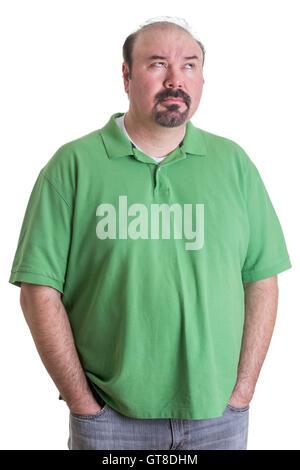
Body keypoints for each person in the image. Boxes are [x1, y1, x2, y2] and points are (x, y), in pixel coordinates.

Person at [9, 17, 291, 450]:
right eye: (158, 64)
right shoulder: (74, 166)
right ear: (126, 75)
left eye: (190, 66)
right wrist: (85, 404)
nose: (176, 80)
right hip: (111, 421)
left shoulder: (233, 164)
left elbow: (261, 279)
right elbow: (38, 291)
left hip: (218, 418)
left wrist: (242, 393)